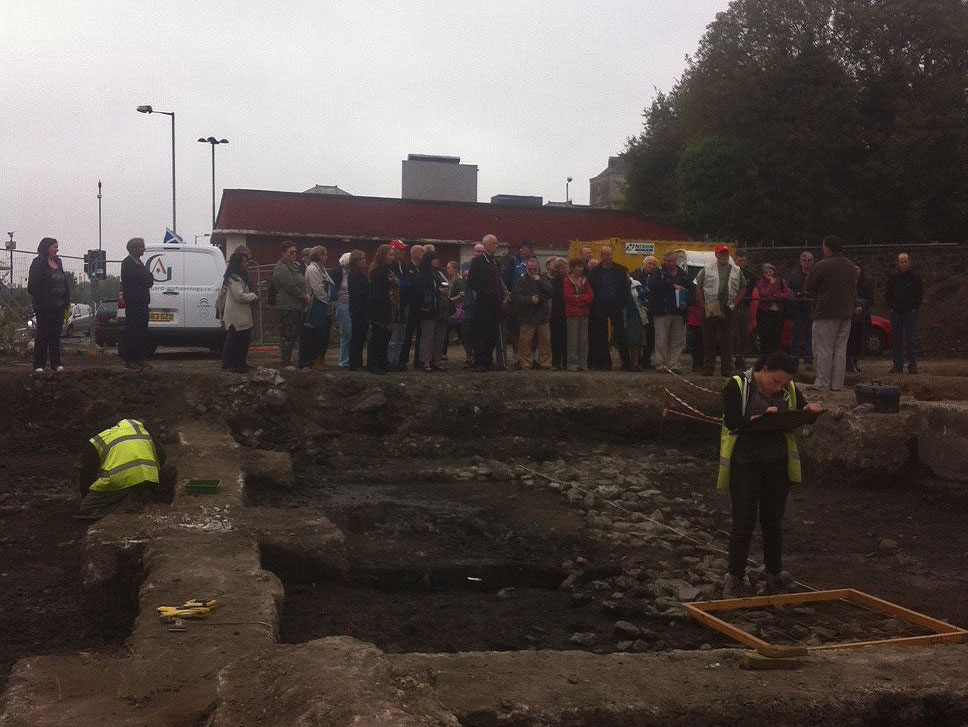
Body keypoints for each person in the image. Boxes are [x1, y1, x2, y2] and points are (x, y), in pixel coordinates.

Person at [718, 351, 823, 596]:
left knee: (773, 518)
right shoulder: (737, 386)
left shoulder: (789, 389)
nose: (779, 388)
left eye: (783, 384)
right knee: (743, 519)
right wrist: (758, 419)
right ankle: (734, 575)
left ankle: (774, 571)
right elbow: (733, 421)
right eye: (775, 381)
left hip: (776, 462)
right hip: (745, 461)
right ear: (763, 369)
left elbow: (802, 412)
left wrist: (810, 411)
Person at [78, 415, 173, 518]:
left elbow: (87, 474)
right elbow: (162, 454)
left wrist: (87, 496)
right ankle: (134, 496)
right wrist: (150, 472)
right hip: (148, 476)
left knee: (87, 507)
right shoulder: (138, 425)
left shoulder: (96, 439)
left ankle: (124, 507)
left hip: (121, 479)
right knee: (129, 488)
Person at [805, 235, 856, 392]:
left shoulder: (823, 265)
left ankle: (822, 382)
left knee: (824, 349)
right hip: (846, 313)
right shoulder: (850, 266)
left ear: (827, 248)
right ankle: (837, 384)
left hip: (826, 312)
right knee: (841, 350)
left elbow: (809, 286)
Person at [695, 244, 746, 377]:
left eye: (726, 253)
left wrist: (735, 303)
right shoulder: (707, 269)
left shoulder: (736, 270)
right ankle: (708, 369)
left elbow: (743, 288)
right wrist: (702, 304)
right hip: (711, 307)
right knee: (709, 340)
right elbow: (698, 287)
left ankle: (727, 369)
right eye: (721, 253)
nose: (724, 256)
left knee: (727, 341)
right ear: (716, 255)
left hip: (728, 308)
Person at [27, 237, 70, 374]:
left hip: (59, 306)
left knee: (55, 335)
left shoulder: (58, 262)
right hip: (44, 307)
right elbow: (32, 287)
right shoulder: (38, 263)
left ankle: (56, 364)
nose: (57, 249)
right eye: (55, 247)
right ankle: (39, 364)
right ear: (47, 248)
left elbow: (63, 281)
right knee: (43, 335)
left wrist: (65, 301)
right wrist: (42, 301)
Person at [587, 246, 631, 370]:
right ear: (602, 256)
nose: (609, 257)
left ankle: (626, 362)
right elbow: (591, 289)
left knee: (621, 333)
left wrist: (622, 302)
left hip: (616, 305)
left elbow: (625, 288)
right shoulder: (595, 272)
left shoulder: (620, 270)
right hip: (600, 305)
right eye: (606, 255)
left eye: (610, 254)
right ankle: (605, 363)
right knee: (602, 334)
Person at [647, 250, 690, 373]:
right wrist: (672, 286)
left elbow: (691, 290)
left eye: (673, 261)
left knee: (677, 340)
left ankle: (674, 364)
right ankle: (661, 364)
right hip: (662, 311)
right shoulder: (658, 272)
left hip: (678, 311)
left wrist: (686, 302)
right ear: (664, 261)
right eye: (669, 261)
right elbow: (653, 286)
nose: (671, 263)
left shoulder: (683, 274)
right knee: (661, 339)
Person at [271, 241, 311, 369]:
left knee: (293, 334)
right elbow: (290, 286)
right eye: (291, 252)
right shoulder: (281, 267)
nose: (294, 254)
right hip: (287, 306)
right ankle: (285, 362)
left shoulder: (293, 266)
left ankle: (288, 361)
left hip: (295, 306)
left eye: (295, 252)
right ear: (283, 253)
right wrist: (303, 296)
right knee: (287, 335)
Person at [467, 234, 503, 371]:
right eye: (494, 243)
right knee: (482, 332)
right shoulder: (477, 262)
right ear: (486, 245)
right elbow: (471, 281)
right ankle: (479, 362)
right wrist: (484, 291)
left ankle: (488, 359)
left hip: (495, 302)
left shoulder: (495, 262)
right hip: (483, 302)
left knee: (492, 332)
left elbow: (498, 282)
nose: (496, 246)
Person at [119, 237, 155, 372]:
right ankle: (130, 361)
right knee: (133, 332)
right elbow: (146, 279)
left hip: (142, 303)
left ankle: (140, 359)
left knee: (142, 332)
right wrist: (148, 277)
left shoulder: (139, 262)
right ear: (133, 248)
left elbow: (149, 279)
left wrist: (148, 277)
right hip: (134, 303)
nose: (143, 249)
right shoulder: (128, 263)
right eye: (141, 246)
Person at [220, 248, 259, 373]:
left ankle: (241, 362)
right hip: (236, 315)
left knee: (244, 339)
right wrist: (253, 296)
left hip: (242, 314)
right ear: (238, 263)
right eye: (244, 262)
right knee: (235, 340)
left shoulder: (242, 276)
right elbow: (239, 296)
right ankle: (230, 364)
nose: (247, 264)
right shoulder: (234, 278)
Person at [885, 252, 924, 374]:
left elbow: (920, 294)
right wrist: (891, 307)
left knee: (911, 340)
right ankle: (898, 365)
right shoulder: (893, 278)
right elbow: (888, 295)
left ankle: (912, 365)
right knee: (896, 340)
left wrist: (915, 308)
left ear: (909, 262)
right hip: (896, 313)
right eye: (901, 262)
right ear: (898, 263)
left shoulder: (915, 278)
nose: (903, 264)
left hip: (909, 313)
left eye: (905, 261)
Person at [513, 257, 553, 369]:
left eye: (534, 269)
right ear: (526, 268)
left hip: (542, 315)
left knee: (545, 341)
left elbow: (550, 292)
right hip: (527, 315)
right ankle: (525, 363)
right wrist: (530, 300)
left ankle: (545, 363)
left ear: (538, 268)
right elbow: (517, 297)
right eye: (529, 269)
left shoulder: (543, 278)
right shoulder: (521, 280)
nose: (531, 271)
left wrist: (539, 281)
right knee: (525, 341)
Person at [298, 246, 335, 370]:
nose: (327, 257)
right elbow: (317, 289)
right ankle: (309, 361)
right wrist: (327, 300)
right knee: (312, 334)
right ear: (319, 256)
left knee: (322, 335)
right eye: (325, 254)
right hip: (315, 305)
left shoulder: (322, 269)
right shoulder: (313, 269)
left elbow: (331, 283)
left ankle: (318, 360)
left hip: (323, 306)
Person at [501, 240, 535, 367]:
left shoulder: (533, 261)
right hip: (515, 302)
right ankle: (516, 357)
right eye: (529, 247)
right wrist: (507, 298)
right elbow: (504, 280)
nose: (531, 250)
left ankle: (528, 357)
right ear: (521, 248)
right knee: (516, 330)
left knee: (530, 330)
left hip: (530, 301)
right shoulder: (512, 261)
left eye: (532, 248)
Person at [416, 250, 450, 371]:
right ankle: (426, 361)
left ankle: (437, 359)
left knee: (439, 336)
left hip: (441, 310)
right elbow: (420, 293)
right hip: (428, 310)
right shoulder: (423, 274)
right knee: (428, 336)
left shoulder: (439, 273)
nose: (437, 261)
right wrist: (438, 292)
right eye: (434, 259)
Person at [366, 244, 396, 374]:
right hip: (379, 308)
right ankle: (374, 364)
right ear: (383, 255)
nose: (393, 257)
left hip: (386, 306)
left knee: (384, 337)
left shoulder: (386, 269)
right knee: (378, 337)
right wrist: (384, 308)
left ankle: (383, 363)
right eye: (390, 255)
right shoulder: (379, 271)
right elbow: (379, 292)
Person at [754, 263, 791, 356]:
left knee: (776, 335)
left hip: (778, 312)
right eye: (765, 272)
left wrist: (774, 296)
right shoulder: (760, 282)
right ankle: (764, 357)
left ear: (774, 272)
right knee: (765, 335)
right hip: (764, 312)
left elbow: (786, 295)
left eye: (770, 271)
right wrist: (771, 284)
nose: (768, 274)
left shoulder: (781, 281)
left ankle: (775, 357)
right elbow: (764, 294)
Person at [563, 258, 594, 371]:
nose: (580, 269)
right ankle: (572, 364)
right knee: (572, 340)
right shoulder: (567, 280)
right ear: (572, 268)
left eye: (582, 267)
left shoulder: (584, 281)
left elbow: (590, 296)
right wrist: (582, 300)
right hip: (572, 314)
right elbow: (568, 297)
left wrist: (578, 298)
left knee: (583, 340)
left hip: (584, 314)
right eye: (578, 266)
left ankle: (583, 364)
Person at [787, 251, 815, 369]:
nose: (806, 263)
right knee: (796, 336)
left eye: (809, 260)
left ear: (813, 261)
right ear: (800, 262)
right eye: (804, 260)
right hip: (798, 309)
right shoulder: (794, 275)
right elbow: (789, 290)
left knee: (811, 336)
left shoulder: (816, 274)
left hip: (811, 309)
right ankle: (794, 361)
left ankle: (809, 360)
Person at [631, 255, 658, 369]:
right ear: (644, 264)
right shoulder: (635, 275)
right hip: (638, 309)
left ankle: (646, 359)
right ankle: (636, 360)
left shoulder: (657, 276)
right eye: (650, 264)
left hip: (652, 309)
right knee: (638, 336)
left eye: (654, 264)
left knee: (651, 336)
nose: (652, 266)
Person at [732, 251, 757, 369]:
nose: (741, 262)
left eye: (743, 260)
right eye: (739, 260)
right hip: (734, 307)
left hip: (745, 307)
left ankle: (740, 358)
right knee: (732, 334)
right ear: (735, 261)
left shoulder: (751, 275)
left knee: (744, 334)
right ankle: (729, 358)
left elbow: (749, 290)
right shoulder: (731, 273)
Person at [846, 266, 872, 373]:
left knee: (859, 340)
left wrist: (862, 307)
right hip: (850, 317)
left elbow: (870, 300)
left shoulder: (865, 285)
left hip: (861, 318)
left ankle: (855, 362)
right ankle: (849, 362)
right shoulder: (846, 285)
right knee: (850, 341)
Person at [347, 249, 370, 371]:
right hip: (358, 309)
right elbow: (359, 291)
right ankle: (354, 363)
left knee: (361, 336)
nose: (364, 261)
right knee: (357, 335)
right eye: (362, 259)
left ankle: (359, 362)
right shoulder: (353, 275)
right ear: (356, 261)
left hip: (363, 308)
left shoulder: (361, 275)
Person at [331, 252, 353, 369]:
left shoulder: (353, 274)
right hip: (342, 304)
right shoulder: (336, 272)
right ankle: (344, 360)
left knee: (350, 333)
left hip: (352, 305)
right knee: (346, 333)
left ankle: (348, 359)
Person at [625, 276, 650, 370]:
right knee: (625, 340)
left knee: (635, 341)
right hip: (621, 315)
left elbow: (644, 299)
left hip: (635, 315)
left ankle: (635, 363)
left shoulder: (637, 284)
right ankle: (626, 362)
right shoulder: (618, 284)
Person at [547, 257, 567, 370]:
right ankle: (556, 362)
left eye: (566, 267)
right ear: (558, 270)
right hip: (556, 313)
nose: (566, 270)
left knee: (565, 339)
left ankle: (565, 361)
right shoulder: (554, 282)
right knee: (556, 339)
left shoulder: (568, 281)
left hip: (566, 313)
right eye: (563, 268)